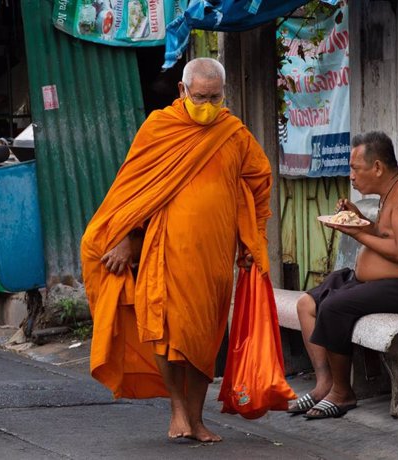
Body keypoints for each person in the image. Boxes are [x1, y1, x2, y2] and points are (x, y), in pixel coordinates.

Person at [80, 58, 273, 442]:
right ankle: (177, 410)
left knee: (204, 338)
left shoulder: (233, 132)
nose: (207, 104)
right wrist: (123, 237)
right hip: (164, 249)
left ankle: (198, 418)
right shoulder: (159, 128)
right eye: (200, 96)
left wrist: (254, 240)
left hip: (215, 255)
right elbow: (131, 190)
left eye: (214, 97)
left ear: (223, 95)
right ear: (183, 92)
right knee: (163, 332)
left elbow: (259, 184)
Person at [287, 131, 398, 419]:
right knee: (306, 304)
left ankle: (343, 393)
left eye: (356, 168)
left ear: (378, 167)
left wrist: (355, 232)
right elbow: (384, 234)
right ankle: (324, 385)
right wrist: (359, 220)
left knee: (333, 308)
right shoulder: (390, 191)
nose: (352, 177)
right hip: (379, 281)